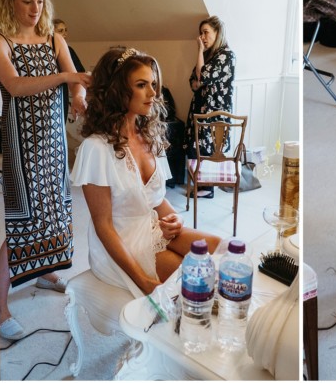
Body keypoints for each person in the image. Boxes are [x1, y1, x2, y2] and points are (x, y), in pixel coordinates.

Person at [0, 0, 90, 339]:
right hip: (21, 141)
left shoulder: (52, 40)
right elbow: (14, 85)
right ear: (11, 1)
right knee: (21, 219)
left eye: (40, 1)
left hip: (53, 140)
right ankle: (0, 304)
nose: (34, 9)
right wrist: (66, 80)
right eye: (27, 1)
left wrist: (78, 95)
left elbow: (76, 82)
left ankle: (44, 271)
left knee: (54, 210)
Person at [73, 47, 221, 297]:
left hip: (153, 227)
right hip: (120, 242)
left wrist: (176, 218)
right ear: (116, 91)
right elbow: (103, 226)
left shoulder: (149, 136)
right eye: (142, 85)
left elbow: (154, 198)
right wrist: (143, 280)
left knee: (221, 250)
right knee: (197, 279)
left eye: (153, 84)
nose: (153, 93)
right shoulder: (95, 149)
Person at [182, 16, 236, 199]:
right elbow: (193, 81)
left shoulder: (227, 56)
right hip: (200, 107)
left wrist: (199, 52)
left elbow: (202, 77)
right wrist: (201, 58)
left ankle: (208, 188)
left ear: (217, 32)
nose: (202, 37)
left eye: (205, 32)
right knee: (195, 146)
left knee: (209, 147)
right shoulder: (208, 55)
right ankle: (200, 183)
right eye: (201, 33)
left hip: (215, 112)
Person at [53, 18, 85, 122]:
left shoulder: (69, 50)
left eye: (65, 30)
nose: (65, 33)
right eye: (60, 31)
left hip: (64, 90)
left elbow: (80, 72)